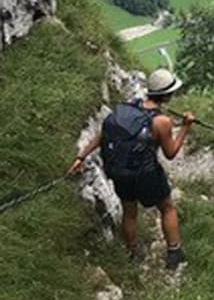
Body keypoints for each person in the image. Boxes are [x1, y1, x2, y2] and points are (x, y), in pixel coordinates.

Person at [69, 69, 195, 270]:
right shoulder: (161, 122)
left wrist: (81, 156)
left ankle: (133, 253)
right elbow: (170, 153)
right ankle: (174, 253)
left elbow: (104, 135)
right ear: (167, 95)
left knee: (129, 213)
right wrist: (186, 128)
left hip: (121, 173)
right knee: (167, 208)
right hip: (147, 175)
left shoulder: (125, 110)